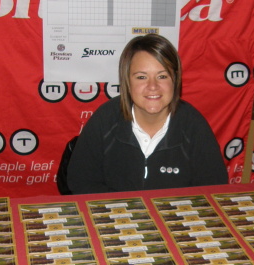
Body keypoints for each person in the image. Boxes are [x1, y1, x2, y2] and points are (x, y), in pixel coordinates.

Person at [66, 34, 229, 194]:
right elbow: (81, 182)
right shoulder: (105, 119)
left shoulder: (193, 125)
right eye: (141, 77)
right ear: (127, 81)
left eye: (162, 76)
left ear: (175, 80)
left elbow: (214, 189)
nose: (153, 86)